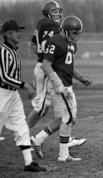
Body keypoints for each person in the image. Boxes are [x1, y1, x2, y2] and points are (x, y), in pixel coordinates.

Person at [28, 0, 86, 159]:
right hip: (53, 73)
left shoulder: (41, 25)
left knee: (62, 115)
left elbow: (32, 45)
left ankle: (39, 139)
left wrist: (80, 78)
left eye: (60, 11)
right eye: (55, 11)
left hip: (50, 70)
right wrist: (54, 78)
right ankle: (25, 138)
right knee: (45, 109)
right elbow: (49, 59)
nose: (59, 13)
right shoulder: (54, 29)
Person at [40, 15, 91, 162]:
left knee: (70, 116)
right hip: (59, 84)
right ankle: (63, 155)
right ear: (66, 30)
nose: (77, 36)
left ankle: (38, 140)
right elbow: (46, 65)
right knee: (68, 117)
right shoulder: (55, 41)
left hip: (66, 83)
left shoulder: (71, 44)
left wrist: (81, 78)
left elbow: (69, 66)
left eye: (78, 33)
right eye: (74, 32)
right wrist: (57, 84)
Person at [0, 19, 46, 172]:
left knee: (21, 126)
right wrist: (25, 85)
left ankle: (29, 163)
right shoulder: (3, 51)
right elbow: (3, 77)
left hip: (12, 95)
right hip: (2, 94)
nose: (20, 33)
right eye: (16, 31)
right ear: (8, 34)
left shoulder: (13, 50)